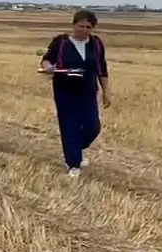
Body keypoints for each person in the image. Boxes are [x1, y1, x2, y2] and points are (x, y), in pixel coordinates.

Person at [40, 9, 112, 178]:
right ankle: (73, 164)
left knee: (93, 127)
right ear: (73, 25)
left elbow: (102, 69)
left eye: (88, 27)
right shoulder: (61, 42)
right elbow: (47, 59)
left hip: (88, 91)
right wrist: (48, 67)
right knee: (69, 126)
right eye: (81, 26)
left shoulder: (96, 44)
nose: (84, 30)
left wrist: (106, 92)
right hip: (65, 91)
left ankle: (74, 149)